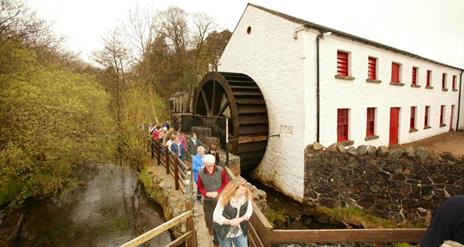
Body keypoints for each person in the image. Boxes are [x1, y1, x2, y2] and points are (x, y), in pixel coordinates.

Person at [197, 154, 229, 247]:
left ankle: (216, 241)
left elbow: (225, 183)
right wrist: (206, 193)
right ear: (205, 164)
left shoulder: (221, 170)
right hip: (207, 199)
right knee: (208, 217)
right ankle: (209, 227)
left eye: (212, 165)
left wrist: (218, 192)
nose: (210, 168)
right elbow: (200, 186)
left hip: (219, 199)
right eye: (208, 166)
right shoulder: (200, 172)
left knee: (218, 219)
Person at [213, 177, 253, 247]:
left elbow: (249, 211)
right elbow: (216, 216)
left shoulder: (246, 196)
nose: (243, 193)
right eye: (241, 190)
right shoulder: (224, 198)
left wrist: (240, 219)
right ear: (234, 189)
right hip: (224, 231)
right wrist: (230, 222)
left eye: (244, 190)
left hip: (240, 231)